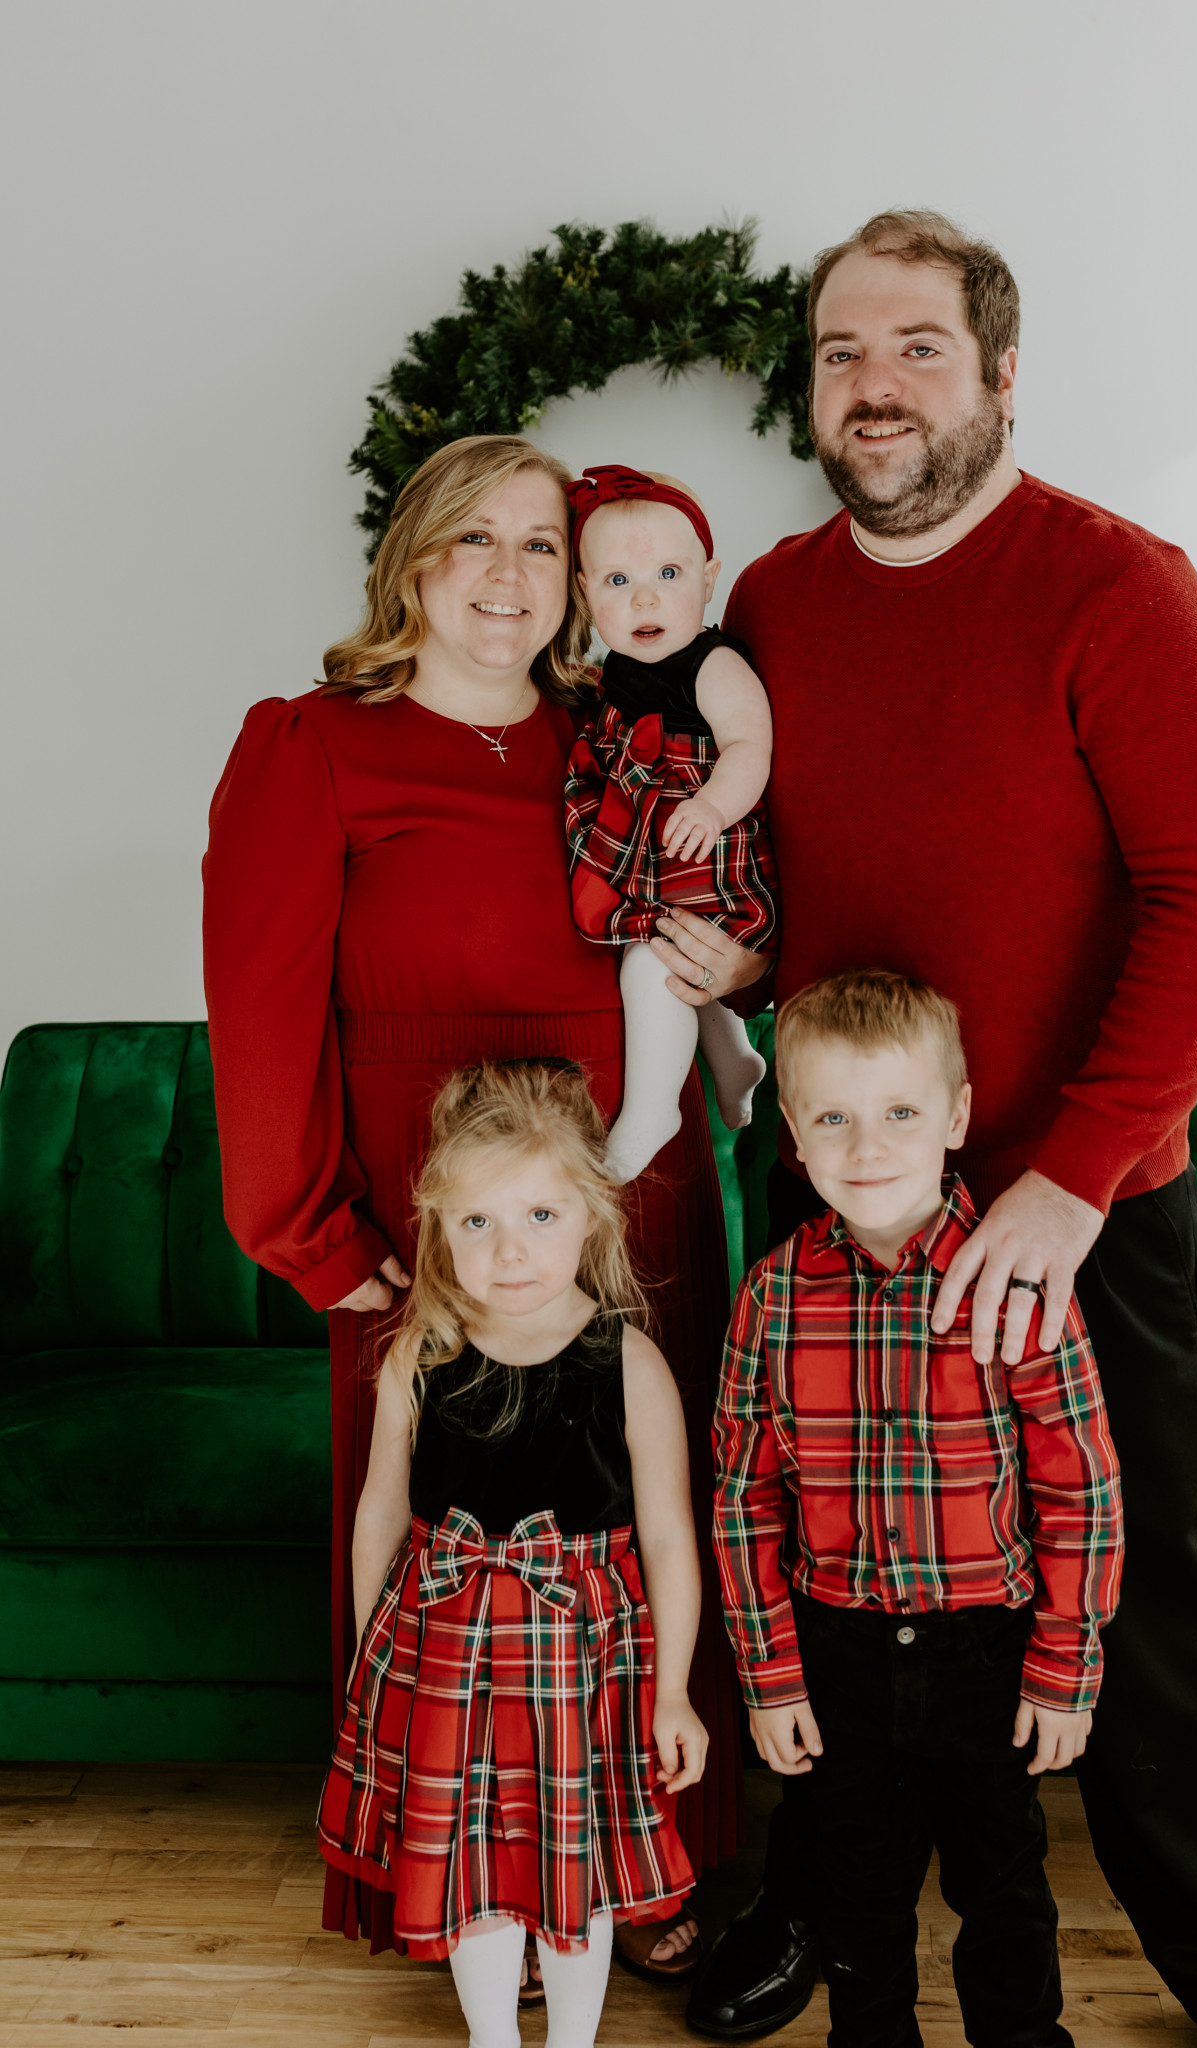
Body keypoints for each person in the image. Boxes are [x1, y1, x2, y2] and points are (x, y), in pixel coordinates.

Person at [687, 211, 1197, 2048]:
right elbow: (803, 884)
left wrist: (1066, 1180)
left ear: (1000, 375)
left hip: (1073, 1209)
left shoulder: (1120, 590)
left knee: (1138, 1593)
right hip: (841, 1194)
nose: (872, 386)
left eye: (915, 349)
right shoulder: (776, 607)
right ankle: (811, 1908)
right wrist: (745, 957)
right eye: (840, 354)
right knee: (818, 1570)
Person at [202, 433, 755, 1975]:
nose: (509, 576)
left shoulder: (622, 735)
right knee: (449, 1544)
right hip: (432, 1214)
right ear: (411, 564)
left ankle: (650, 1868)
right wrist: (312, 1237)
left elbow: (723, 899)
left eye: (540, 547)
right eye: (475, 540)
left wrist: (746, 962)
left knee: (632, 1526)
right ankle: (445, 1864)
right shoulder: (312, 747)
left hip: (629, 1192)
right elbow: (258, 1014)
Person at [713, 970, 1123, 2048]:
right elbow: (744, 1499)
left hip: (986, 1647)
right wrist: (769, 1676)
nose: (867, 1146)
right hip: (835, 1650)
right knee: (857, 1886)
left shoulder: (1019, 1281)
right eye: (832, 1118)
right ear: (792, 1133)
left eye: (899, 1111)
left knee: (1003, 1883)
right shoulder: (771, 1296)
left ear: (955, 1116)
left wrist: (1066, 1665)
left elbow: (1082, 1486)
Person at [318, 1059, 705, 2048]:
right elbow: (380, 1511)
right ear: (439, 1228)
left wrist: (671, 1692)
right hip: (443, 1654)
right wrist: (371, 1658)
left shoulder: (627, 1360)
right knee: (470, 1865)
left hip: (585, 1660)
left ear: (591, 1217)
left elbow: (668, 1533)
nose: (509, 1249)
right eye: (477, 1221)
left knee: (576, 1864)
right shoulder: (419, 1354)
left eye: (539, 1214)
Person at [564, 463, 776, 1182]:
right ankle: (733, 1058)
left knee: (651, 960)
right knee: (674, 955)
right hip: (656, 851)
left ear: (709, 579)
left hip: (707, 854)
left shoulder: (713, 664)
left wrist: (712, 805)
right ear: (585, 593)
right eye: (617, 581)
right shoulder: (615, 670)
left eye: (668, 573)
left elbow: (749, 745)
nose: (645, 596)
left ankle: (655, 1110)